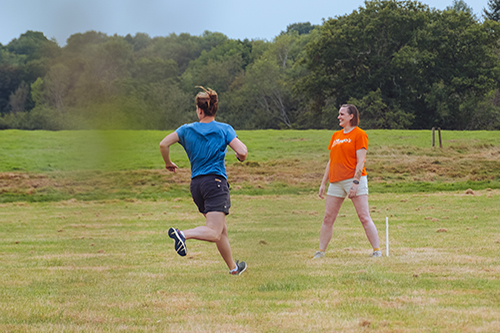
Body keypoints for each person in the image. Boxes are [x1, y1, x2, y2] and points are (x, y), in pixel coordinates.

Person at [159, 86, 248, 275]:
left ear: (200, 110)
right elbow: (242, 151)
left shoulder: (186, 129)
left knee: (221, 230)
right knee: (214, 231)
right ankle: (183, 234)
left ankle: (233, 268)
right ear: (213, 109)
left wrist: (168, 162)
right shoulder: (224, 129)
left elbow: (163, 144)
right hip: (215, 184)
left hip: (197, 186)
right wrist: (239, 157)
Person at [313, 104, 381, 259]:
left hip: (353, 180)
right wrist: (323, 183)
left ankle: (377, 250)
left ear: (351, 116)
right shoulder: (336, 136)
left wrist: (355, 183)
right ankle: (321, 251)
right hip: (336, 182)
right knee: (328, 217)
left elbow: (361, 161)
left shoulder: (360, 134)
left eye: (342, 114)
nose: (339, 117)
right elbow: (331, 161)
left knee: (364, 216)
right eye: (339, 114)